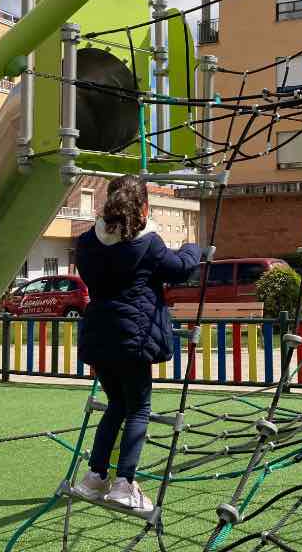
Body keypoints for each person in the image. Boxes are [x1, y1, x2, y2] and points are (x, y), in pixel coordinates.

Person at [72, 175, 201, 515]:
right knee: (138, 408)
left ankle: (95, 476)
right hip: (133, 338)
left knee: (116, 403)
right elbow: (181, 269)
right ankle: (124, 483)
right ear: (143, 208)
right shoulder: (148, 244)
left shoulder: (86, 242)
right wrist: (194, 247)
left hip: (99, 335)